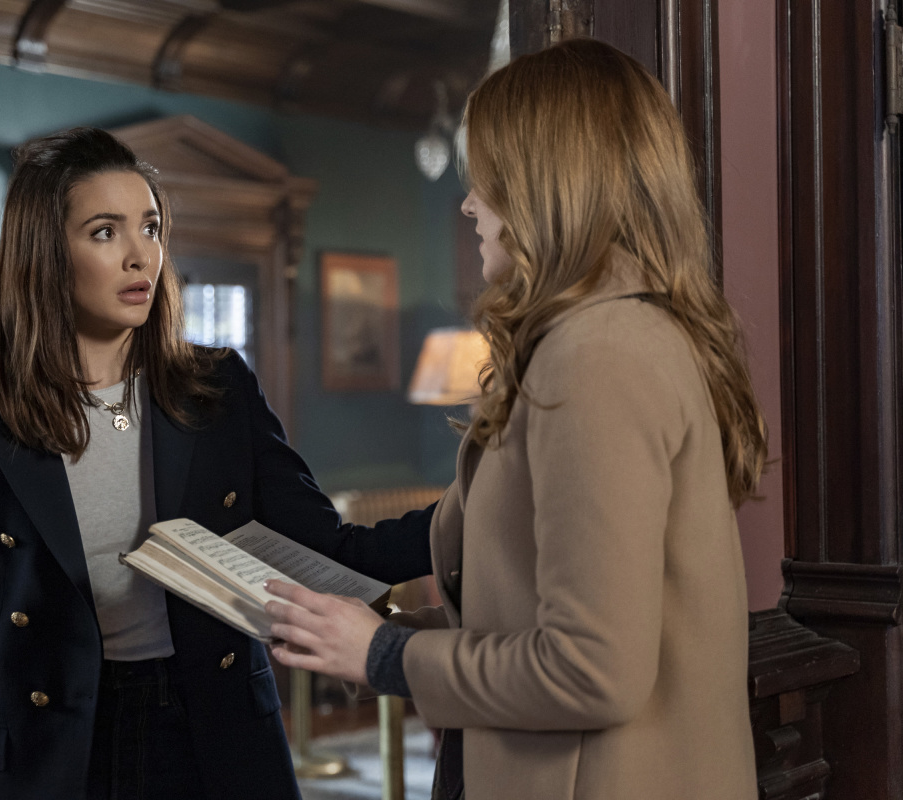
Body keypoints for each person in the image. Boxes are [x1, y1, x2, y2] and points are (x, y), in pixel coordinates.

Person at [265, 38, 764, 800]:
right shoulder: (612, 337)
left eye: (487, 178)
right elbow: (533, 615)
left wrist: (384, 655)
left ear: (549, 185)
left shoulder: (597, 356)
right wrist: (370, 643)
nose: (469, 203)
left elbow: (591, 668)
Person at [0, 127, 435, 800]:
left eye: (150, 227)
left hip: (212, 731)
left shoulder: (219, 389)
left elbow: (331, 548)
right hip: (52, 754)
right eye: (105, 232)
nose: (141, 255)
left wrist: (475, 515)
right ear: (45, 254)